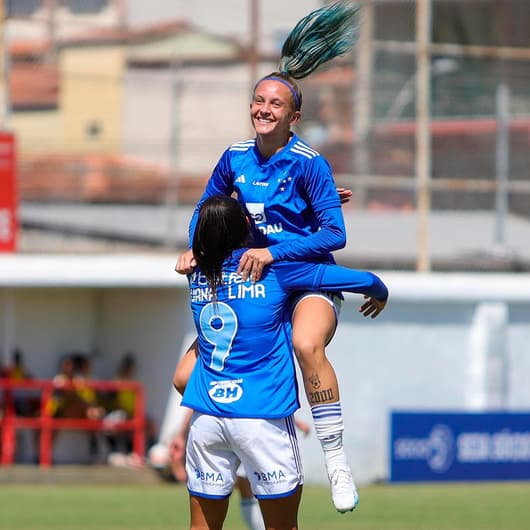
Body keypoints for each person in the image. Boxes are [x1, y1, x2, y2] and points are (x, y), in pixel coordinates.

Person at [175, 0, 363, 513]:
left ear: (293, 116)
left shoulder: (309, 162)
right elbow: (206, 208)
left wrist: (271, 250)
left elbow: (334, 234)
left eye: (275, 104)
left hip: (304, 280)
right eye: (258, 100)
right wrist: (197, 244)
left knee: (306, 343)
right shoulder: (235, 156)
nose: (263, 109)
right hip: (253, 284)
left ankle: (336, 459)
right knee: (182, 377)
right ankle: (229, 468)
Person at [180, 194, 387, 529]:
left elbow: (206, 235)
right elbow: (363, 281)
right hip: (262, 419)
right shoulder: (275, 272)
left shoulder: (195, 274)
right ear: (248, 227)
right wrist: (380, 291)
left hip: (207, 420)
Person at [168, 406, 311, 530]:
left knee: (204, 524)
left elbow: (183, 381)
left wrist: (181, 434)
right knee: (280, 520)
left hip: (210, 424)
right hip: (255, 428)